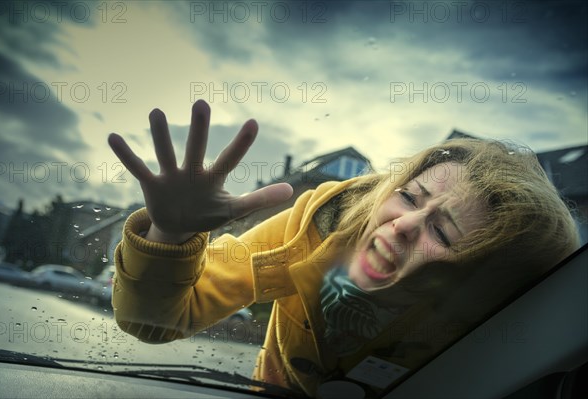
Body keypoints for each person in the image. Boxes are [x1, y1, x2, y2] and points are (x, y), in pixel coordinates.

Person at [108, 100, 580, 397]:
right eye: (409, 197)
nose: (402, 226)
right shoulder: (316, 221)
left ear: (478, 275)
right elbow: (156, 321)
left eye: (444, 232)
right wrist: (170, 235)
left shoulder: (494, 320)